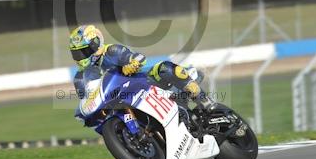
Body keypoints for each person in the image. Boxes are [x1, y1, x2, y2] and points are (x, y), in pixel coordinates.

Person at [69, 24, 215, 111]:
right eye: (76, 53)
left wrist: (132, 64)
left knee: (165, 68)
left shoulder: (111, 51)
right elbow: (86, 101)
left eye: (83, 51)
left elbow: (138, 58)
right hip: (119, 102)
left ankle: (205, 101)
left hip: (143, 83)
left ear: (95, 44)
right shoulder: (80, 77)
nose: (80, 57)